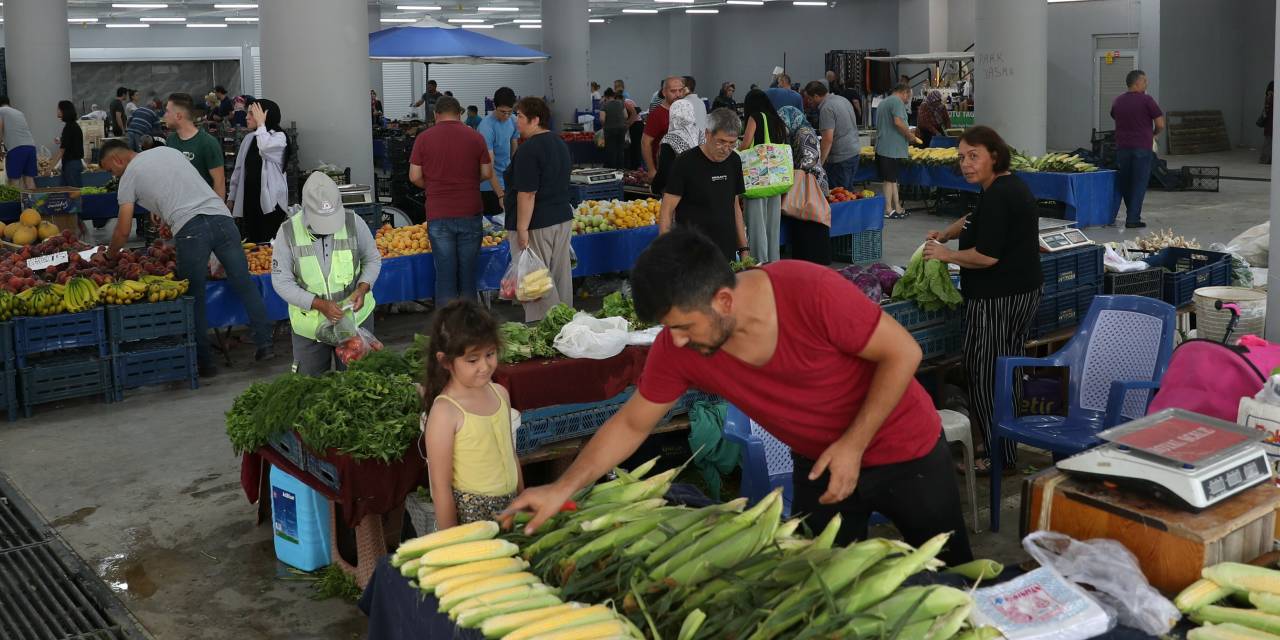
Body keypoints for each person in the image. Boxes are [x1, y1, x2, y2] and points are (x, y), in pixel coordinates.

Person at [504, 228, 974, 565]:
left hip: (906, 453)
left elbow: (903, 354)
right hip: (819, 465)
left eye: (684, 326)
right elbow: (631, 424)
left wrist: (853, 445)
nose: (678, 342)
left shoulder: (809, 291)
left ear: (723, 302)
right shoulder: (679, 345)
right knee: (825, 587)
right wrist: (563, 487)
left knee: (955, 584)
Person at [922, 126, 1041, 474]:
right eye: (962, 157)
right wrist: (946, 233)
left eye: (974, 156)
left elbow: (987, 257)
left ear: (994, 155)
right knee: (1005, 369)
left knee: (986, 373)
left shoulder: (1001, 195)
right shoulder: (1003, 187)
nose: (966, 164)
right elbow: (973, 219)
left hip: (997, 298)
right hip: (1021, 292)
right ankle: (1002, 441)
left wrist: (945, 255)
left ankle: (998, 456)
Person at [99, 140, 273, 377]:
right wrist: (162, 211)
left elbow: (122, 230)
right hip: (222, 219)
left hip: (192, 231)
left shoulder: (129, 176)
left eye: (110, 169)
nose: (114, 174)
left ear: (117, 160)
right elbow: (179, 184)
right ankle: (265, 344)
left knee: (195, 295)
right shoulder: (168, 151)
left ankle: (205, 363)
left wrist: (109, 256)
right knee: (244, 282)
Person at [271, 172, 382, 376]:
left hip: (354, 320)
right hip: (310, 326)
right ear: (306, 210)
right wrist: (319, 304)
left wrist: (363, 287)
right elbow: (281, 281)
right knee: (310, 386)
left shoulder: (353, 222)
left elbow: (372, 259)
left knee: (358, 381)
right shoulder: (287, 232)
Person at [424, 299, 523, 527]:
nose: (485, 366)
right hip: (471, 520)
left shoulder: (500, 393)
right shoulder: (446, 412)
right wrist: (453, 542)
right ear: (446, 362)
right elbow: (440, 487)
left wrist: (522, 498)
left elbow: (511, 454)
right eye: (472, 360)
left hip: (510, 510)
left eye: (490, 354)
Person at [410, 96, 492, 303]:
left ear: (436, 114)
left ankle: (445, 330)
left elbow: (414, 176)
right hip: (470, 210)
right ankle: (469, 328)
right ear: (460, 113)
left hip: (439, 213)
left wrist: (435, 187)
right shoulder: (475, 137)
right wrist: (469, 182)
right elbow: (487, 172)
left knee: (445, 276)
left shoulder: (424, 138)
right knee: (468, 276)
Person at [504, 96, 574, 322]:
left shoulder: (529, 150)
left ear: (535, 120)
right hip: (561, 218)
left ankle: (544, 329)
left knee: (536, 283)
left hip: (537, 223)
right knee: (560, 277)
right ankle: (566, 326)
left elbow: (527, 193)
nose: (516, 121)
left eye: (521, 116)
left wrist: (522, 228)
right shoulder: (559, 142)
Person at [659, 108, 749, 263]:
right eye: (721, 142)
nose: (726, 149)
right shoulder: (685, 162)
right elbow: (667, 210)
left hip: (725, 251)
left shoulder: (734, 161)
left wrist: (744, 249)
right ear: (707, 134)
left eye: (732, 143)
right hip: (691, 252)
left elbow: (735, 207)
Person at [229, 99, 292, 243]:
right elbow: (239, 170)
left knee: (269, 242)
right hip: (250, 200)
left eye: (252, 113)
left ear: (265, 115)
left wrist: (261, 124)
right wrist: (231, 197)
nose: (247, 117)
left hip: (272, 204)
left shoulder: (279, 137)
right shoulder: (249, 138)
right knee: (253, 242)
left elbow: (264, 148)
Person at [778, 105, 831, 264]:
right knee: (803, 219)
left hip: (811, 184)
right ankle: (806, 260)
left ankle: (814, 261)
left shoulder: (804, 133)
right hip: (805, 184)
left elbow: (810, 159)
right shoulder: (795, 134)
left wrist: (793, 173)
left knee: (812, 218)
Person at [1111, 69, 1164, 229]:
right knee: (1139, 183)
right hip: (1142, 147)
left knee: (1126, 183)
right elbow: (1160, 124)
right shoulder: (1147, 100)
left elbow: (1115, 116)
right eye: (1145, 81)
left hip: (1122, 148)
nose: (1146, 84)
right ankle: (1133, 218)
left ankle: (1131, 214)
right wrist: (1153, 134)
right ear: (1137, 83)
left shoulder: (1118, 101)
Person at [739, 89, 787, 263]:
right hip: (776, 179)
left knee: (756, 224)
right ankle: (774, 262)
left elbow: (745, 145)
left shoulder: (756, 117)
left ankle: (759, 262)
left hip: (757, 179)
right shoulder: (777, 120)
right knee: (772, 225)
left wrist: (737, 148)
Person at [164, 93, 227, 202]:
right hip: (175, 209)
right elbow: (167, 177)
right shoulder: (170, 140)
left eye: (167, 111)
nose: (164, 115)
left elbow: (219, 183)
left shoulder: (208, 143)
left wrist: (217, 214)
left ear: (178, 116)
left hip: (201, 210)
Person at [803, 80, 861, 193]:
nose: (808, 102)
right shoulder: (842, 99)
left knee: (838, 194)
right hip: (854, 152)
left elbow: (827, 139)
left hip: (840, 157)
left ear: (816, 96)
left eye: (809, 99)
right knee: (847, 192)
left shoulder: (827, 108)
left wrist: (820, 163)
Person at [875, 83, 921, 220]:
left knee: (893, 179)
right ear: (904, 92)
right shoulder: (897, 101)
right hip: (890, 147)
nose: (908, 100)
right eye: (909, 96)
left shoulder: (884, 102)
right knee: (889, 180)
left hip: (885, 146)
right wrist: (910, 135)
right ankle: (888, 209)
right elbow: (898, 122)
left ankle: (898, 207)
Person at [478, 87, 519, 219]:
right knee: (494, 228)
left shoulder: (513, 120)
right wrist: (500, 194)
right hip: (489, 186)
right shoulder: (486, 127)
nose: (506, 116)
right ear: (494, 106)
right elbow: (489, 166)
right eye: (502, 112)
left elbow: (514, 150)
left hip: (506, 181)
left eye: (510, 111)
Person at [653, 93, 700, 196]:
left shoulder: (671, 138)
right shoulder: (701, 134)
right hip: (701, 187)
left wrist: (655, 187)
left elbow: (665, 171)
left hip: (679, 192)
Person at [642, 76, 686, 185]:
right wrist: (652, 169)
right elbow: (645, 143)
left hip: (684, 168)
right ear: (664, 92)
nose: (678, 94)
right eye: (673, 91)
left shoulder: (685, 111)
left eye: (680, 90)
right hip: (665, 170)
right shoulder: (657, 115)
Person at [0, 98, 37, 190]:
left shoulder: (1, 111)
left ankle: (14, 204)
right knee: (29, 181)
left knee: (14, 182)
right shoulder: (19, 112)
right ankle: (35, 204)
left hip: (16, 148)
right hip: (31, 147)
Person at [50, 101, 84, 188]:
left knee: (73, 193)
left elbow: (61, 151)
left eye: (59, 109)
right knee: (66, 191)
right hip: (71, 164)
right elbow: (71, 142)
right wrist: (62, 140)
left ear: (64, 111)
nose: (57, 111)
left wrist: (51, 167)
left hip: (71, 165)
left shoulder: (69, 127)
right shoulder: (73, 126)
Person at [599, 89, 634, 171]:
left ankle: (612, 170)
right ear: (613, 96)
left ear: (606, 96)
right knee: (620, 150)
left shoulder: (604, 105)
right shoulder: (621, 103)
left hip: (610, 130)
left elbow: (602, 119)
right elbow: (625, 116)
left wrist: (604, 124)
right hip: (621, 129)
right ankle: (620, 169)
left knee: (611, 150)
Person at [1262, 81, 1274, 165]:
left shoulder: (1268, 96)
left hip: (1269, 123)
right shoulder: (1272, 97)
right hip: (1271, 122)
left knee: (1268, 141)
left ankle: (1266, 159)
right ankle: (1266, 159)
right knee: (1269, 141)